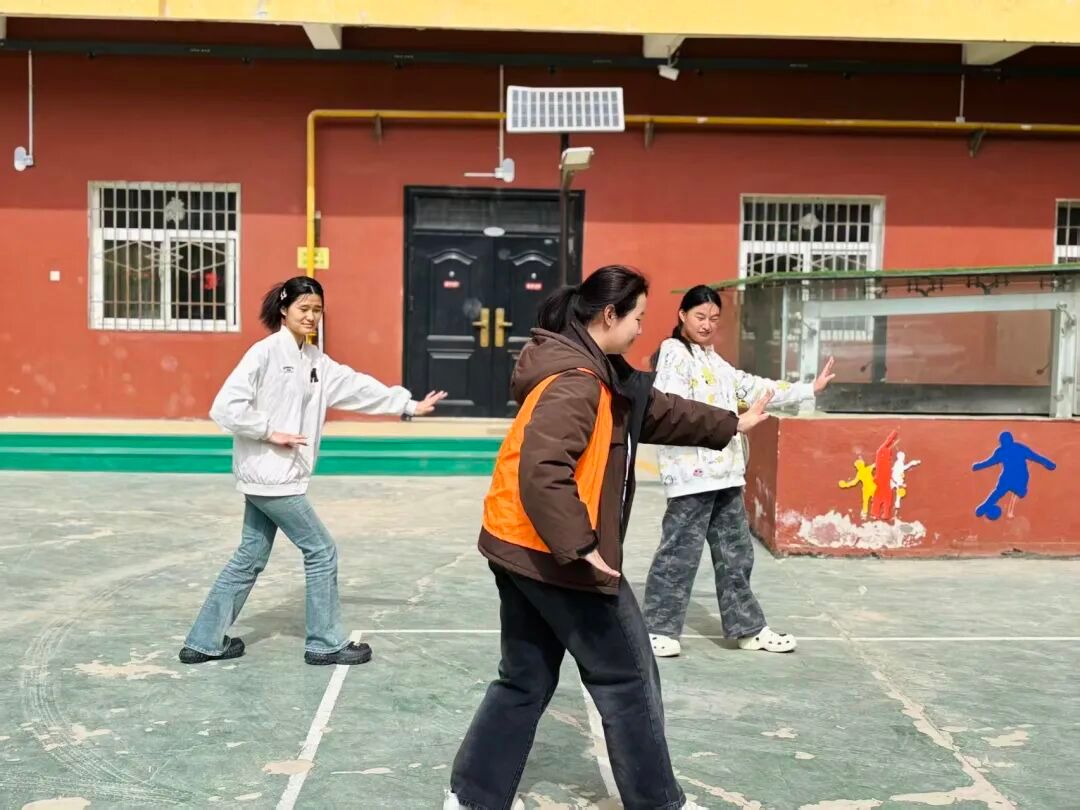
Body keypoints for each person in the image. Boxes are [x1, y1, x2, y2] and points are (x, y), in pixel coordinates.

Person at [445, 266, 774, 810]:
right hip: (559, 555)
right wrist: (581, 547)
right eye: (637, 317)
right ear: (608, 314)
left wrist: (729, 423)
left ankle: (472, 797)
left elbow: (656, 412)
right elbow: (542, 470)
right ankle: (658, 802)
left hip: (518, 546)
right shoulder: (578, 381)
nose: (642, 328)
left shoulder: (600, 372)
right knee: (628, 680)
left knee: (524, 679)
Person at [178, 276, 446, 666]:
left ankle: (204, 641)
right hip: (272, 476)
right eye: (303, 308)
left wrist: (407, 405)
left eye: (317, 310)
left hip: (273, 477)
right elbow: (225, 408)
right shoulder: (264, 353)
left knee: (251, 555)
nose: (311, 316)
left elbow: (355, 386)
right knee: (320, 550)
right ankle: (325, 642)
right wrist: (270, 432)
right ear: (283, 310)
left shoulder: (315, 360)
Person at [643, 285, 834, 658]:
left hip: (727, 475)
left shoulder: (716, 362)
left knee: (736, 555)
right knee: (679, 553)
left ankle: (748, 628)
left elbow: (755, 388)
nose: (707, 324)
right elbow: (674, 410)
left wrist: (808, 388)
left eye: (714, 318)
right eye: (700, 316)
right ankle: (657, 629)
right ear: (682, 315)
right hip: (691, 474)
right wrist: (732, 423)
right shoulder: (673, 354)